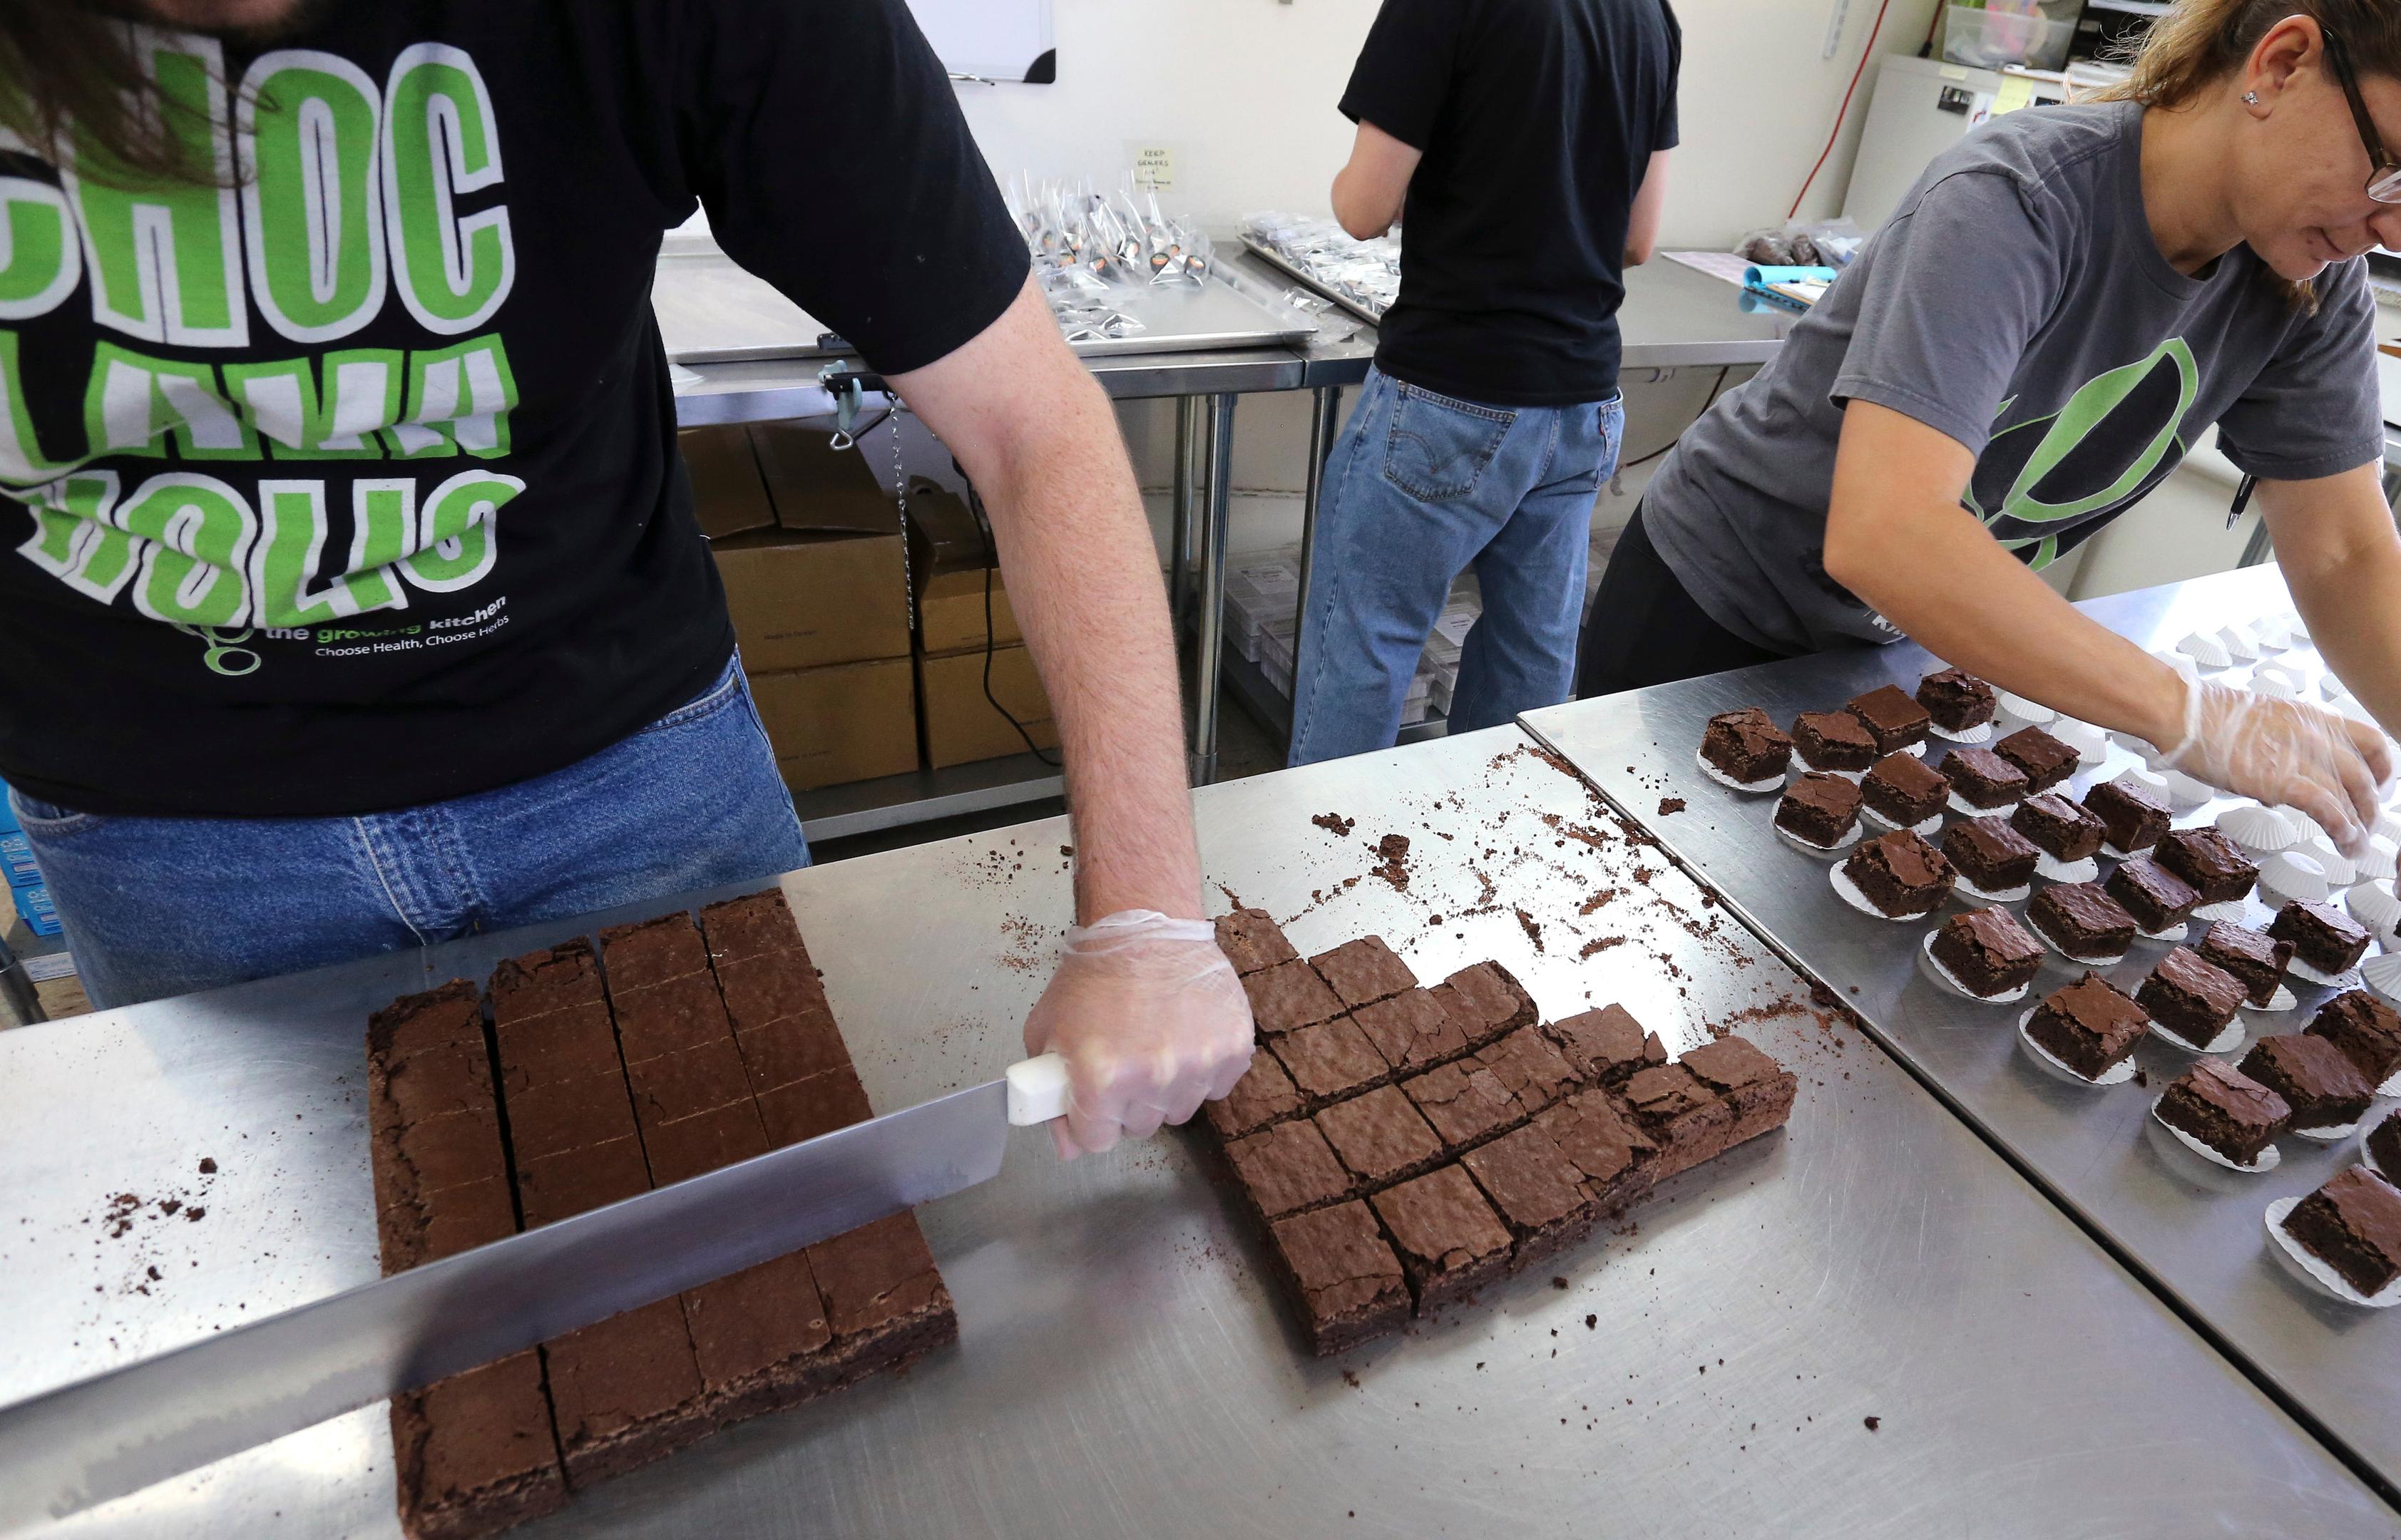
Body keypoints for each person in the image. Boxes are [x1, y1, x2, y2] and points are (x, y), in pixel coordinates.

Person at [0, 0, 1249, 1156]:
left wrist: (1145, 917)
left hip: (627, 778)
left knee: (766, 1250)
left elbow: (1033, 426)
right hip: (166, 837)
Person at [1582, 0, 2401, 950]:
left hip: (1896, 642)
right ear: (2284, 61)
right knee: (1635, 918)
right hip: (1711, 613)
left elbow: (2345, 546)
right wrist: (2190, 714)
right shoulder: (2019, 199)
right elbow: (1890, 532)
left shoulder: (2310, 276)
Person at [1288, 0, 1679, 764]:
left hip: (1452, 393)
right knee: (1530, 660)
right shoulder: (1650, 15)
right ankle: (1487, 863)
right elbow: (1638, 239)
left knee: (1366, 653)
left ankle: (1326, 865)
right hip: (1583, 405)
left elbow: (1364, 209)